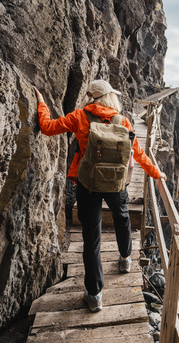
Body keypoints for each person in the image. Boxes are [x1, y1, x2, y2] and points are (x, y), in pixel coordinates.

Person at [33, 79, 166, 312]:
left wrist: (42, 103)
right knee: (122, 218)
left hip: (88, 185)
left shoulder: (79, 116)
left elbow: (47, 127)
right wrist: (156, 173)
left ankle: (94, 295)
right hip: (115, 184)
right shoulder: (122, 121)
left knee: (91, 238)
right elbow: (139, 153)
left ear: (91, 98)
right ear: (109, 97)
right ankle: (125, 259)